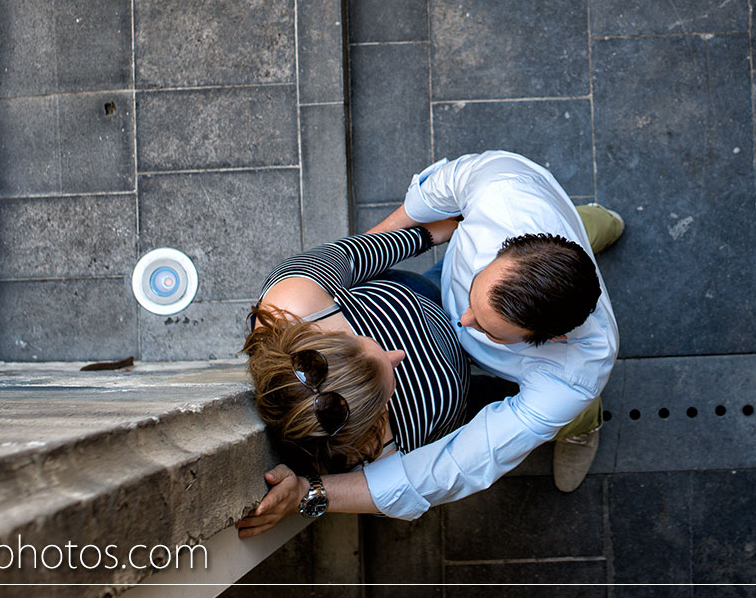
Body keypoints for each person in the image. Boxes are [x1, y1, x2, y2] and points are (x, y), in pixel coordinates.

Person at [237, 150, 620, 533]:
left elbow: (458, 465)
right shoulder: (499, 183)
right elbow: (450, 467)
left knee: (571, 409)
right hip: (435, 297)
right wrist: (421, 230)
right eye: (474, 296)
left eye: (489, 330)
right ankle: (585, 227)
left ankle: (583, 421)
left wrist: (424, 236)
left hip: (546, 363)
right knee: (565, 242)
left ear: (552, 338)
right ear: (505, 247)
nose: (464, 321)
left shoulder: (572, 376)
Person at [237, 224, 470, 532]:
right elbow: (413, 487)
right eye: (390, 391)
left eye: (363, 341)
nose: (398, 354)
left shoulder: (296, 303)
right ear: (361, 432)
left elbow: (355, 255)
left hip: (426, 296)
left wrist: (426, 234)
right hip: (465, 390)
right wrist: (307, 492)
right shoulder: (369, 462)